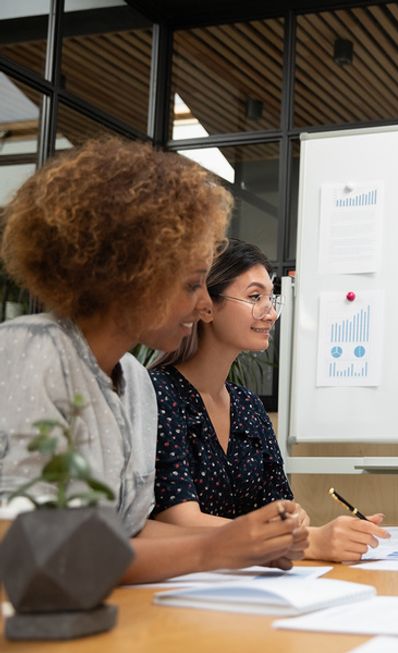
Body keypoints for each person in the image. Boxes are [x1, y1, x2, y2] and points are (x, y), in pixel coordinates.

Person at [0, 139, 308, 584]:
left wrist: (249, 542)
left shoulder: (136, 383)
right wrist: (214, 549)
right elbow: (26, 547)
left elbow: (128, 532)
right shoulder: (32, 352)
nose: (204, 304)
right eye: (190, 285)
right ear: (128, 278)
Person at [148, 239, 390, 561]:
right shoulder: (159, 393)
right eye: (254, 297)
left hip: (252, 579)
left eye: (270, 298)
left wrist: (295, 521)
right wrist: (305, 541)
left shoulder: (248, 406)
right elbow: (178, 520)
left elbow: (280, 507)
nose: (271, 313)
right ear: (207, 305)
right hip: (181, 584)